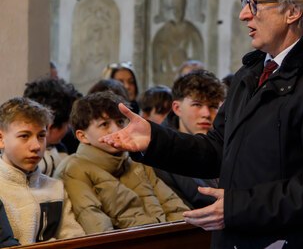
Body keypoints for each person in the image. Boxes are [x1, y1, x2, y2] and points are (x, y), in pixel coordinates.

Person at [101, 0, 303, 249]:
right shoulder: (250, 74)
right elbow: (217, 149)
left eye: (255, 3)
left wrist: (237, 207)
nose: (243, 15)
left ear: (292, 11)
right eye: (245, 2)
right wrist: (155, 139)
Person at [54, 91, 189, 234]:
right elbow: (97, 229)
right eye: (104, 124)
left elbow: (173, 205)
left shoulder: (135, 161)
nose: (116, 130)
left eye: (120, 121)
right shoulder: (73, 170)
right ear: (83, 136)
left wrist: (184, 235)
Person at [0, 97, 85, 244]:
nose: (36, 146)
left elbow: (74, 238)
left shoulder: (56, 188)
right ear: (1, 139)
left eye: (41, 136)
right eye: (24, 136)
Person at [156, 70, 225, 209]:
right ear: (177, 108)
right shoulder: (159, 150)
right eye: (197, 104)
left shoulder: (228, 143)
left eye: (213, 106)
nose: (206, 114)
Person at [23, 77, 81, 176]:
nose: (68, 129)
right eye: (67, 124)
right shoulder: (29, 162)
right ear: (50, 127)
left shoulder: (60, 148)